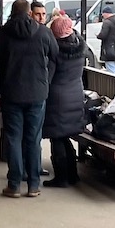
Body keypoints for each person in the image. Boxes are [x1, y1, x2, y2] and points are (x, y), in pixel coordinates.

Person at [0, 0, 59, 197]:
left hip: (11, 94)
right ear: (29, 13)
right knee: (33, 139)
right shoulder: (43, 32)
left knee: (14, 139)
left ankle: (14, 184)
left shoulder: (2, 34)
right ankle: (34, 184)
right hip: (37, 94)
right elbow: (55, 55)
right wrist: (45, 79)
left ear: (12, 12)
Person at [42, 12, 88, 187]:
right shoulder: (79, 45)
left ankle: (61, 177)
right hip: (75, 95)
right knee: (66, 137)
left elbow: (49, 77)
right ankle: (73, 174)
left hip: (58, 98)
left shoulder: (56, 51)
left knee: (57, 138)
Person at [97, 7, 115, 74]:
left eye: (103, 14)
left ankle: (113, 84)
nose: (102, 15)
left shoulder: (106, 22)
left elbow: (103, 35)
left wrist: (98, 35)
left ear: (106, 13)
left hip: (108, 48)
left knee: (110, 70)